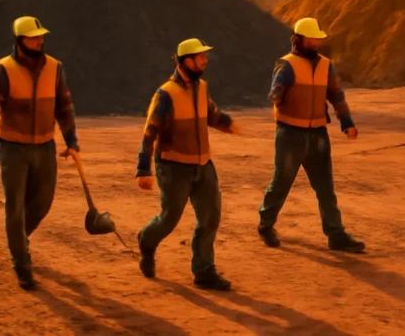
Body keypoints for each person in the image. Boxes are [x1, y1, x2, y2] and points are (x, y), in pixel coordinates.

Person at [0, 16, 80, 291]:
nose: (40, 41)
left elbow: (64, 105)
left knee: (44, 199)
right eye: (33, 37)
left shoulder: (55, 67)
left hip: (44, 145)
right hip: (12, 146)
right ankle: (22, 263)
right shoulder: (3, 70)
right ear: (20, 41)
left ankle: (19, 238)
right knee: (15, 205)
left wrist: (72, 140)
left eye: (41, 37)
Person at [135, 38, 239, 291]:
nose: (205, 61)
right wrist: (143, 169)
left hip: (203, 164)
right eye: (200, 57)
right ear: (185, 61)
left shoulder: (202, 87)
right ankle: (147, 242)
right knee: (169, 219)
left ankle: (204, 272)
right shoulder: (165, 95)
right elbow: (149, 133)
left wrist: (226, 123)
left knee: (210, 218)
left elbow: (210, 112)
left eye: (205, 56)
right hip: (173, 168)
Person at [257, 17, 365, 253]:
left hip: (318, 134)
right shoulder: (286, 65)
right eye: (312, 39)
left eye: (318, 39)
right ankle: (266, 225)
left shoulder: (326, 65)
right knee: (281, 183)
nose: (316, 43)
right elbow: (276, 91)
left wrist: (347, 123)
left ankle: (335, 234)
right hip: (290, 135)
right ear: (298, 40)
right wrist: (277, 94)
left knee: (325, 187)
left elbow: (336, 95)